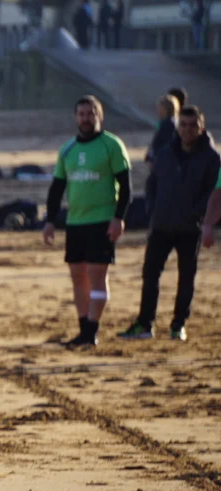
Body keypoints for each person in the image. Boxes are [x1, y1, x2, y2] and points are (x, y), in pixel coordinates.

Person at [119, 105, 219, 342]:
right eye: (183, 125)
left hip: (190, 228)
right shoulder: (165, 153)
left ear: (201, 127)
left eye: (192, 125)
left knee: (186, 277)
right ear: (177, 127)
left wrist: (198, 215)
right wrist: (152, 209)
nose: (187, 129)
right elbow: (151, 183)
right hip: (161, 225)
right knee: (150, 275)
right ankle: (145, 324)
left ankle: (178, 324)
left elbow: (213, 193)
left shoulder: (211, 158)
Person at [42, 95, 131, 348]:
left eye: (90, 114)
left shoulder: (112, 145)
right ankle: (83, 329)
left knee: (97, 274)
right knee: (77, 276)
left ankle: (92, 330)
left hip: (102, 220)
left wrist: (118, 218)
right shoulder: (67, 149)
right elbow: (57, 189)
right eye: (81, 114)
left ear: (99, 116)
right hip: (75, 222)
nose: (86, 119)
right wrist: (50, 221)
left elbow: (126, 187)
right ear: (75, 117)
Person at [146, 94, 179, 165]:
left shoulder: (168, 124)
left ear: (165, 109)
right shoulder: (166, 122)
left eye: (159, 108)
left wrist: (152, 158)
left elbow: (162, 144)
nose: (157, 110)